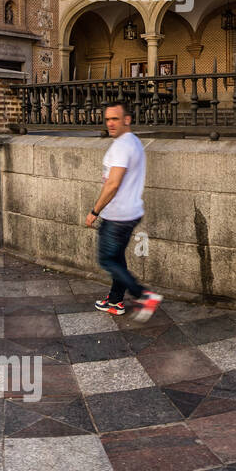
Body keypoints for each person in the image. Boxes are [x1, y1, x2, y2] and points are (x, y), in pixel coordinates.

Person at [88, 101, 160, 321]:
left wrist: (95, 211)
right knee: (117, 258)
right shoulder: (134, 142)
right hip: (130, 213)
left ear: (126, 120)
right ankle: (115, 300)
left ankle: (143, 295)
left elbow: (113, 184)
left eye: (115, 119)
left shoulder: (121, 146)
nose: (110, 123)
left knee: (107, 260)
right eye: (107, 119)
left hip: (117, 215)